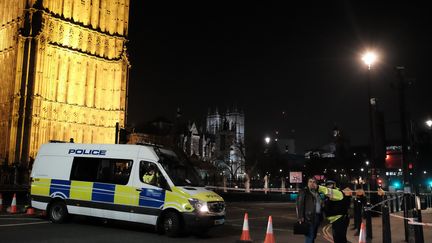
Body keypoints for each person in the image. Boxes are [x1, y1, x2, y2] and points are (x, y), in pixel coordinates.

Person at [296, 177, 323, 243]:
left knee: (313, 236)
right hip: (308, 218)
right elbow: (299, 204)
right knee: (309, 237)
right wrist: (300, 217)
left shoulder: (317, 193)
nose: (312, 183)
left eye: (314, 182)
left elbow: (320, 203)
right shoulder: (303, 191)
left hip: (317, 217)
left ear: (316, 184)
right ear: (307, 183)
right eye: (310, 181)